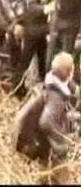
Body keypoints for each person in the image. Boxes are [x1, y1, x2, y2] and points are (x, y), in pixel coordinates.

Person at [15, 52, 79, 184]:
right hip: (50, 149)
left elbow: (59, 115)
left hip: (42, 144)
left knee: (45, 178)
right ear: (68, 72)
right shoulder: (56, 96)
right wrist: (61, 145)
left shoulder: (49, 84)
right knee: (61, 179)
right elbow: (46, 122)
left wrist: (75, 118)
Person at [11, 0, 49, 98]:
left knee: (42, 59)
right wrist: (46, 8)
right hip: (32, 29)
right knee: (25, 60)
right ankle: (17, 88)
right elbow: (31, 8)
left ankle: (43, 86)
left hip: (41, 28)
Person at [45, 0, 81, 71]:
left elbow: (47, 1)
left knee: (57, 55)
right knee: (61, 55)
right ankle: (54, 76)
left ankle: (58, 76)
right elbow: (48, 1)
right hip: (65, 24)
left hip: (65, 24)